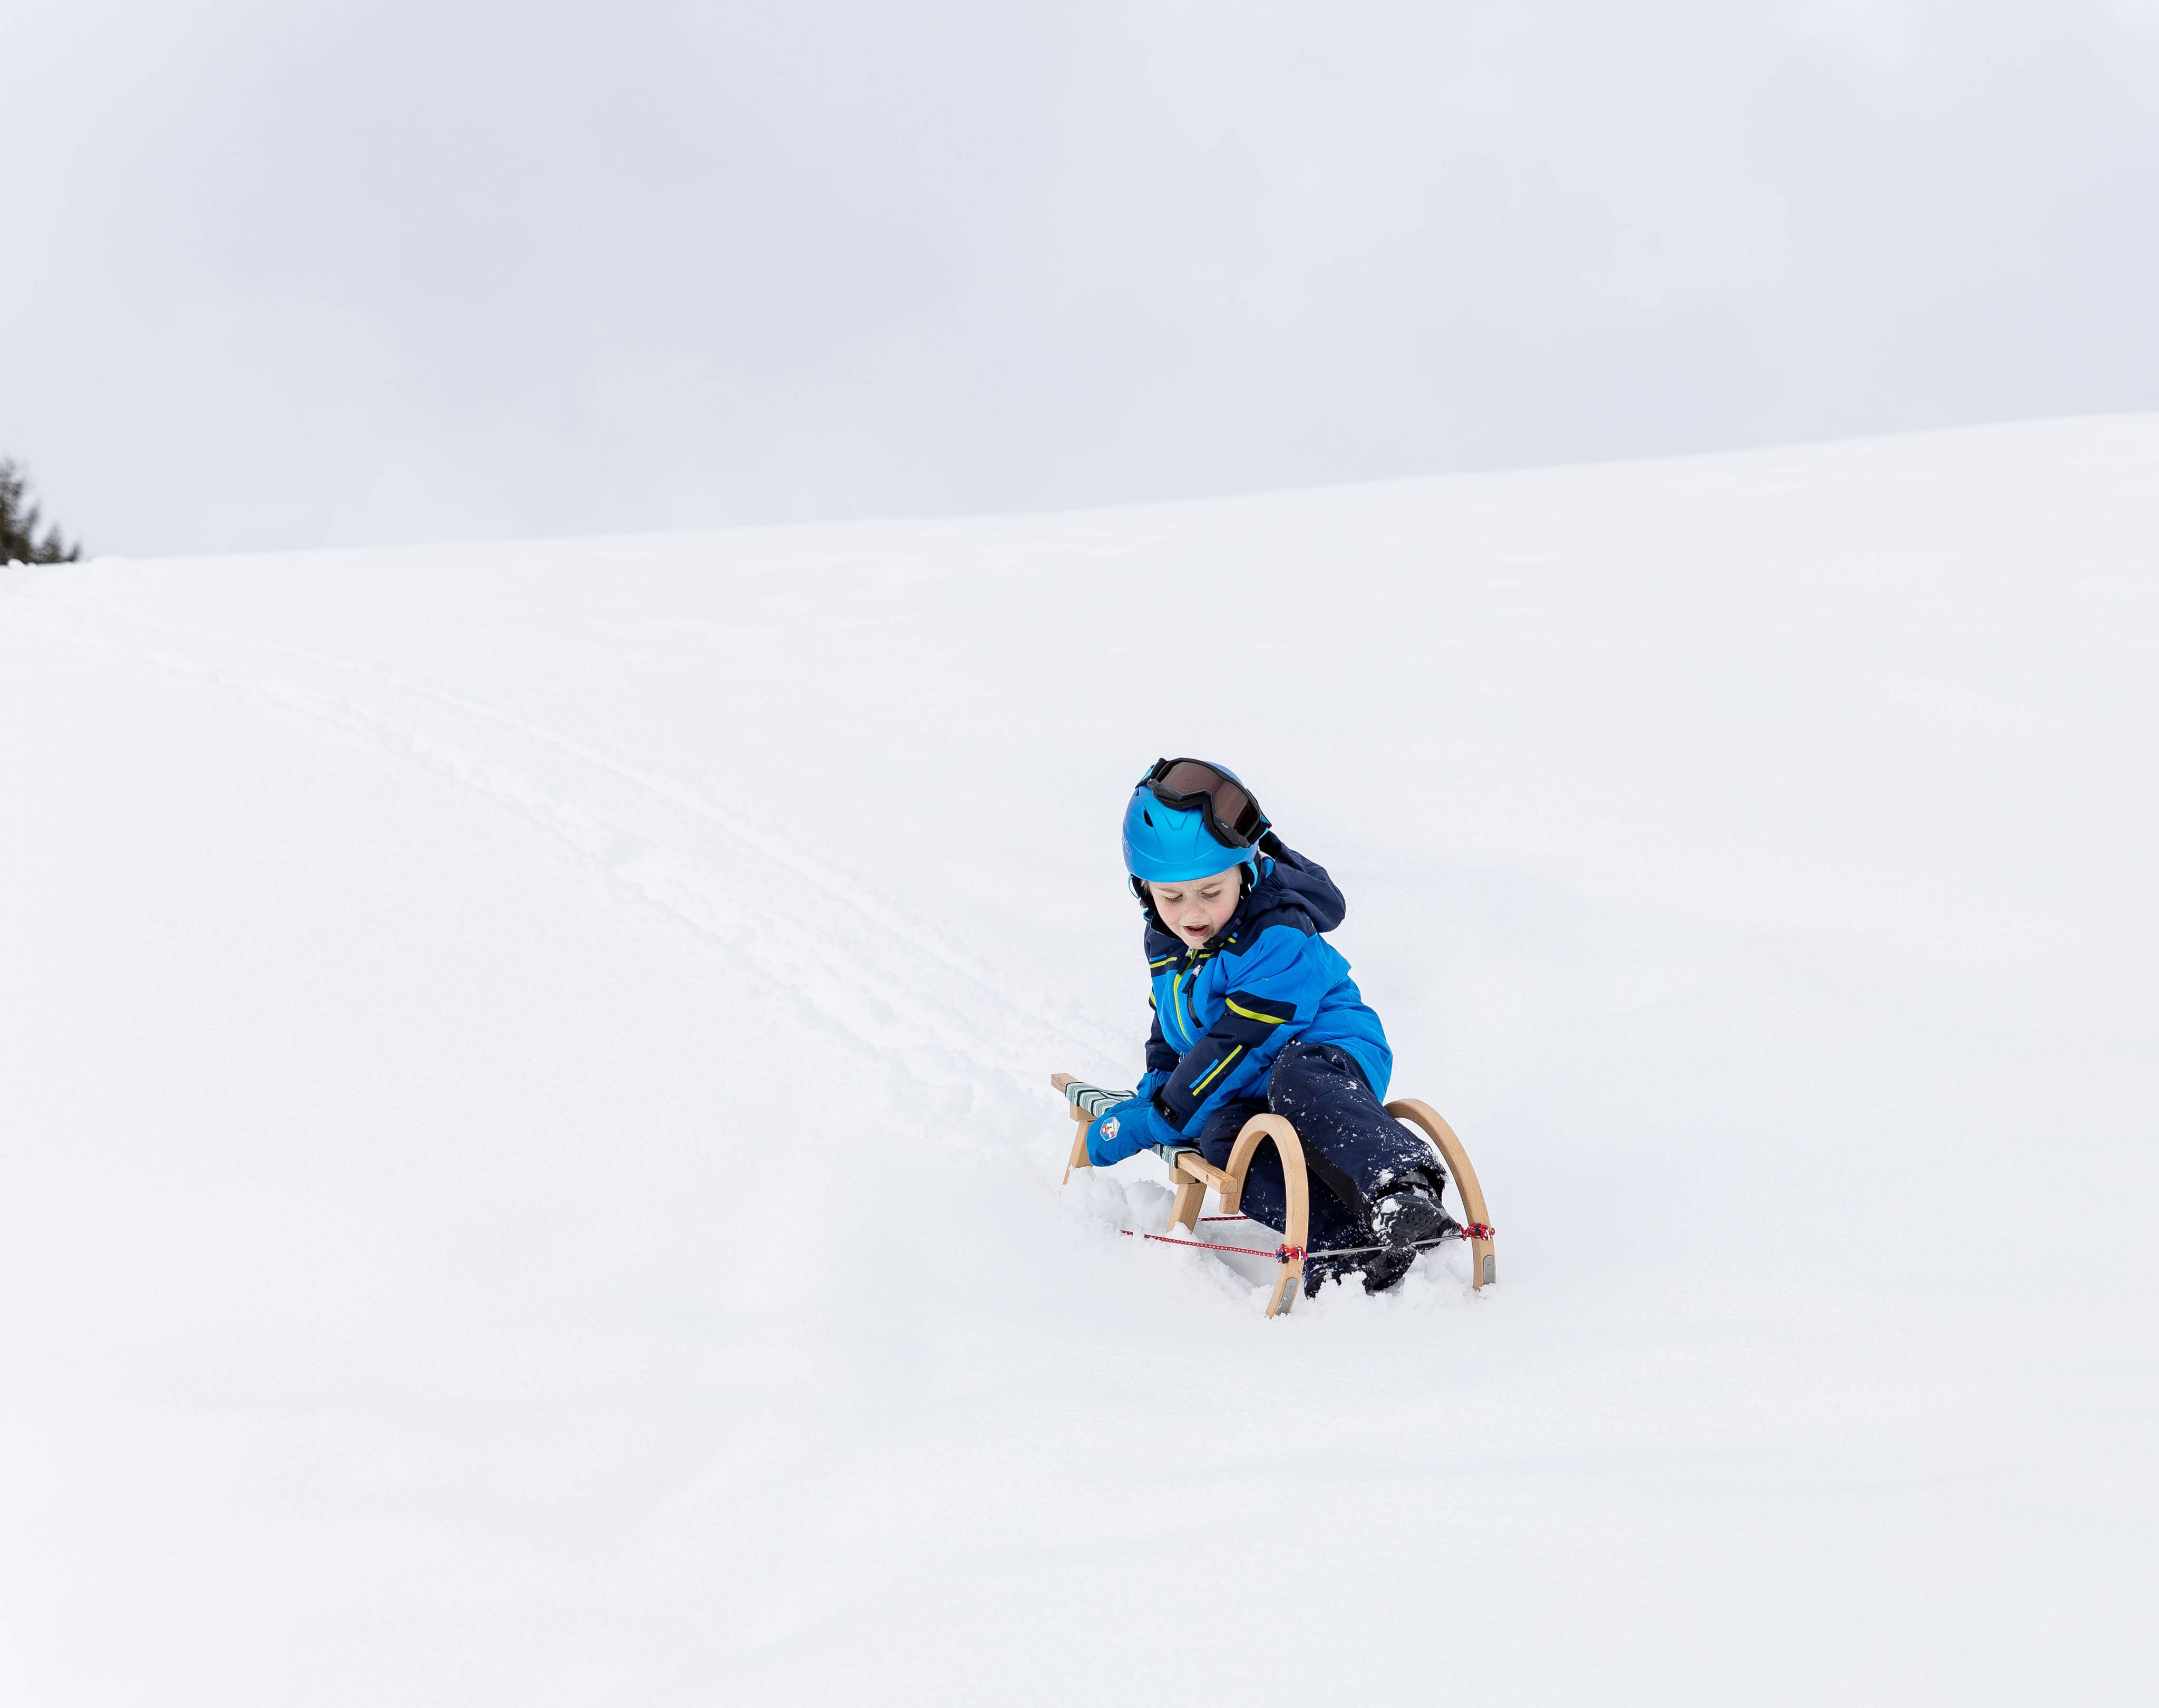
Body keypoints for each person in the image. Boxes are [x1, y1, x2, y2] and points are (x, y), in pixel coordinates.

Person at [1085, 757, 1458, 1295]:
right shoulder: (1168, 940)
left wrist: (1164, 1114)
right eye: (1171, 896)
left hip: (1329, 1053)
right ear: (1143, 890)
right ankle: (1340, 1240)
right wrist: (1157, 1089)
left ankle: (1401, 1191)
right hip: (1248, 1080)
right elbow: (1169, 1025)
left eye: (1211, 892)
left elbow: (1240, 1038)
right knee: (1224, 1142)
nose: (1192, 913)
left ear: (1246, 869)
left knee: (1295, 1075)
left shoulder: (1275, 932)